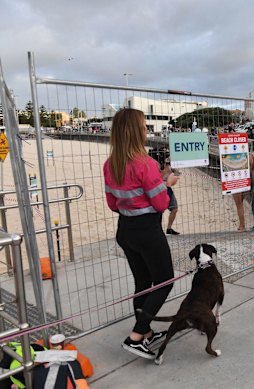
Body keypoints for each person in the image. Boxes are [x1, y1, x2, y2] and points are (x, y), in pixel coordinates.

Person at [103, 108, 174, 359]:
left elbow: (113, 204)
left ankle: (146, 333)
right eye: (144, 127)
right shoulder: (146, 163)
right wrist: (166, 184)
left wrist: (157, 182)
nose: (147, 131)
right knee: (165, 280)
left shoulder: (110, 164)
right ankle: (136, 335)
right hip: (147, 230)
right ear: (136, 132)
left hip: (125, 230)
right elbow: (161, 204)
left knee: (143, 284)